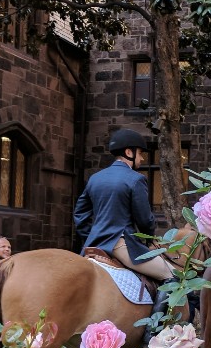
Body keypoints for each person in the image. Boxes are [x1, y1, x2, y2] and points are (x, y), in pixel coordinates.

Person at [74, 129, 174, 315]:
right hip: (121, 245)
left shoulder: (95, 178)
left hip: (93, 246)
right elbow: (144, 220)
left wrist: (91, 236)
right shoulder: (135, 179)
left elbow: (80, 213)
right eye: (141, 153)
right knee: (172, 275)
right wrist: (149, 240)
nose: (142, 159)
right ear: (129, 152)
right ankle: (155, 331)